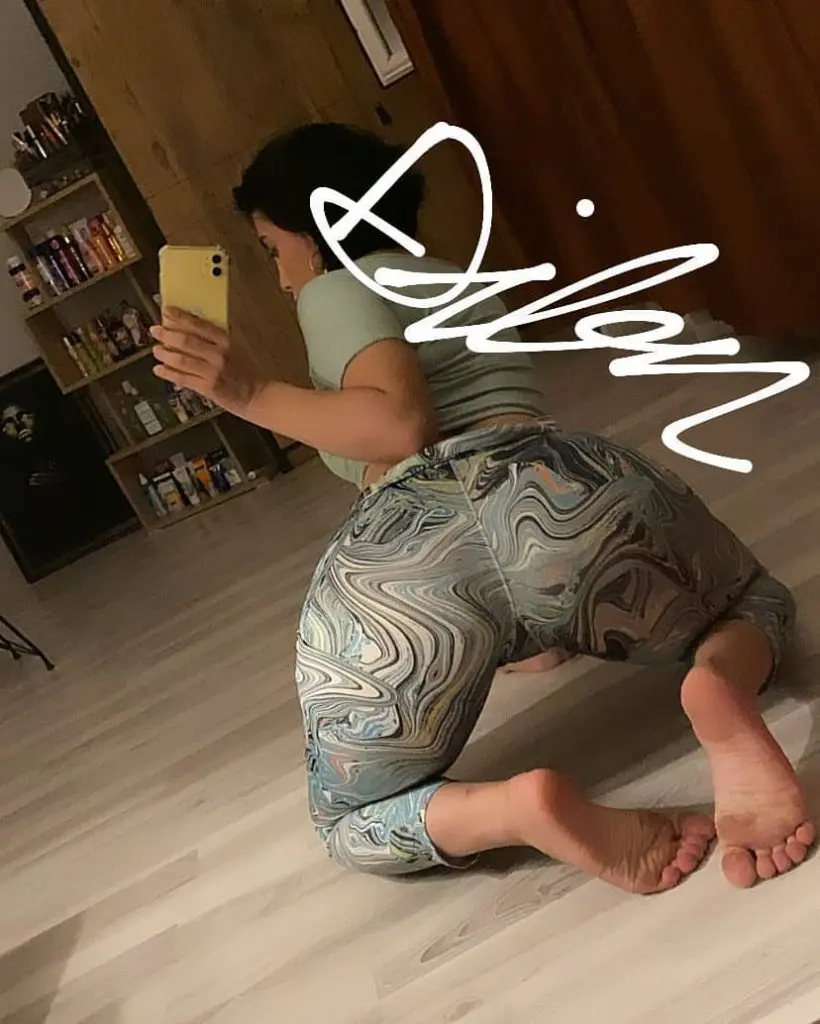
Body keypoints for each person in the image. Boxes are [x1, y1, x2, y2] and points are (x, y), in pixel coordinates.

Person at [151, 122, 814, 892]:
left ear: (313, 230)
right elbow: (504, 549)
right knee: (752, 602)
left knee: (349, 820)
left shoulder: (335, 287)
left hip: (409, 558)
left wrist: (248, 392)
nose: (280, 278)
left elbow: (399, 427)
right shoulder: (456, 282)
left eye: (272, 250)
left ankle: (515, 809)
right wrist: (530, 624)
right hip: (564, 500)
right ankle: (718, 684)